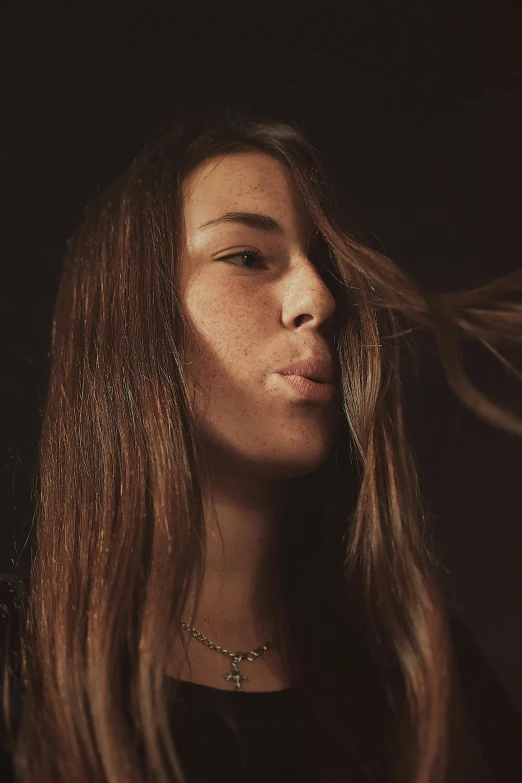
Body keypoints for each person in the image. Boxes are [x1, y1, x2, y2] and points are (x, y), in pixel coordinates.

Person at [1, 105, 522, 782]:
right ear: (132, 314)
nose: (318, 297)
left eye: (326, 266)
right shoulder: (17, 669)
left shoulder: (427, 678)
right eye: (247, 257)